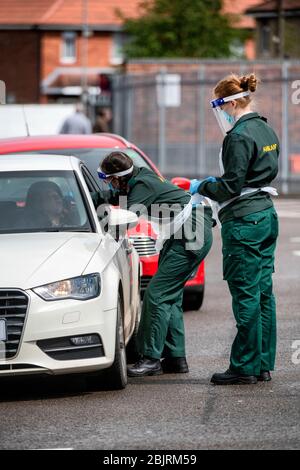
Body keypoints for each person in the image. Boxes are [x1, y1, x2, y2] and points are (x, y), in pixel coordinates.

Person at [190, 73, 279, 385]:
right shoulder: (265, 127)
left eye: (219, 106)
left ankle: (244, 366)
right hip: (266, 215)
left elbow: (230, 185)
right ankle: (263, 363)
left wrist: (202, 185)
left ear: (228, 103)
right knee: (263, 292)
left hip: (244, 220)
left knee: (245, 293)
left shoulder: (238, 136)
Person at [93, 151, 213, 377]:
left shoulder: (141, 186)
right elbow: (117, 196)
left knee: (156, 295)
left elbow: (128, 215)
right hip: (183, 232)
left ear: (119, 177)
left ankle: (150, 359)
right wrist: (92, 197)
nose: (108, 183)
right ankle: (176, 358)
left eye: (108, 178)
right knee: (171, 297)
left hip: (190, 234)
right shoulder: (139, 178)